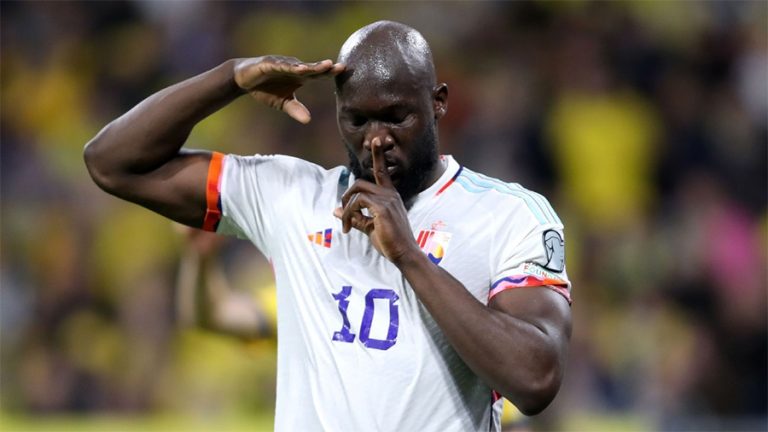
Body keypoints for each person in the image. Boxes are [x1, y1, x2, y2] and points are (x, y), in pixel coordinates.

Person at [84, 20, 572, 432]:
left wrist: (409, 256)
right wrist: (230, 78)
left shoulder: (508, 215)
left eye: (395, 117)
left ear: (438, 102)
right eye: (356, 120)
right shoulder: (292, 196)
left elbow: (535, 381)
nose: (376, 140)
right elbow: (112, 163)